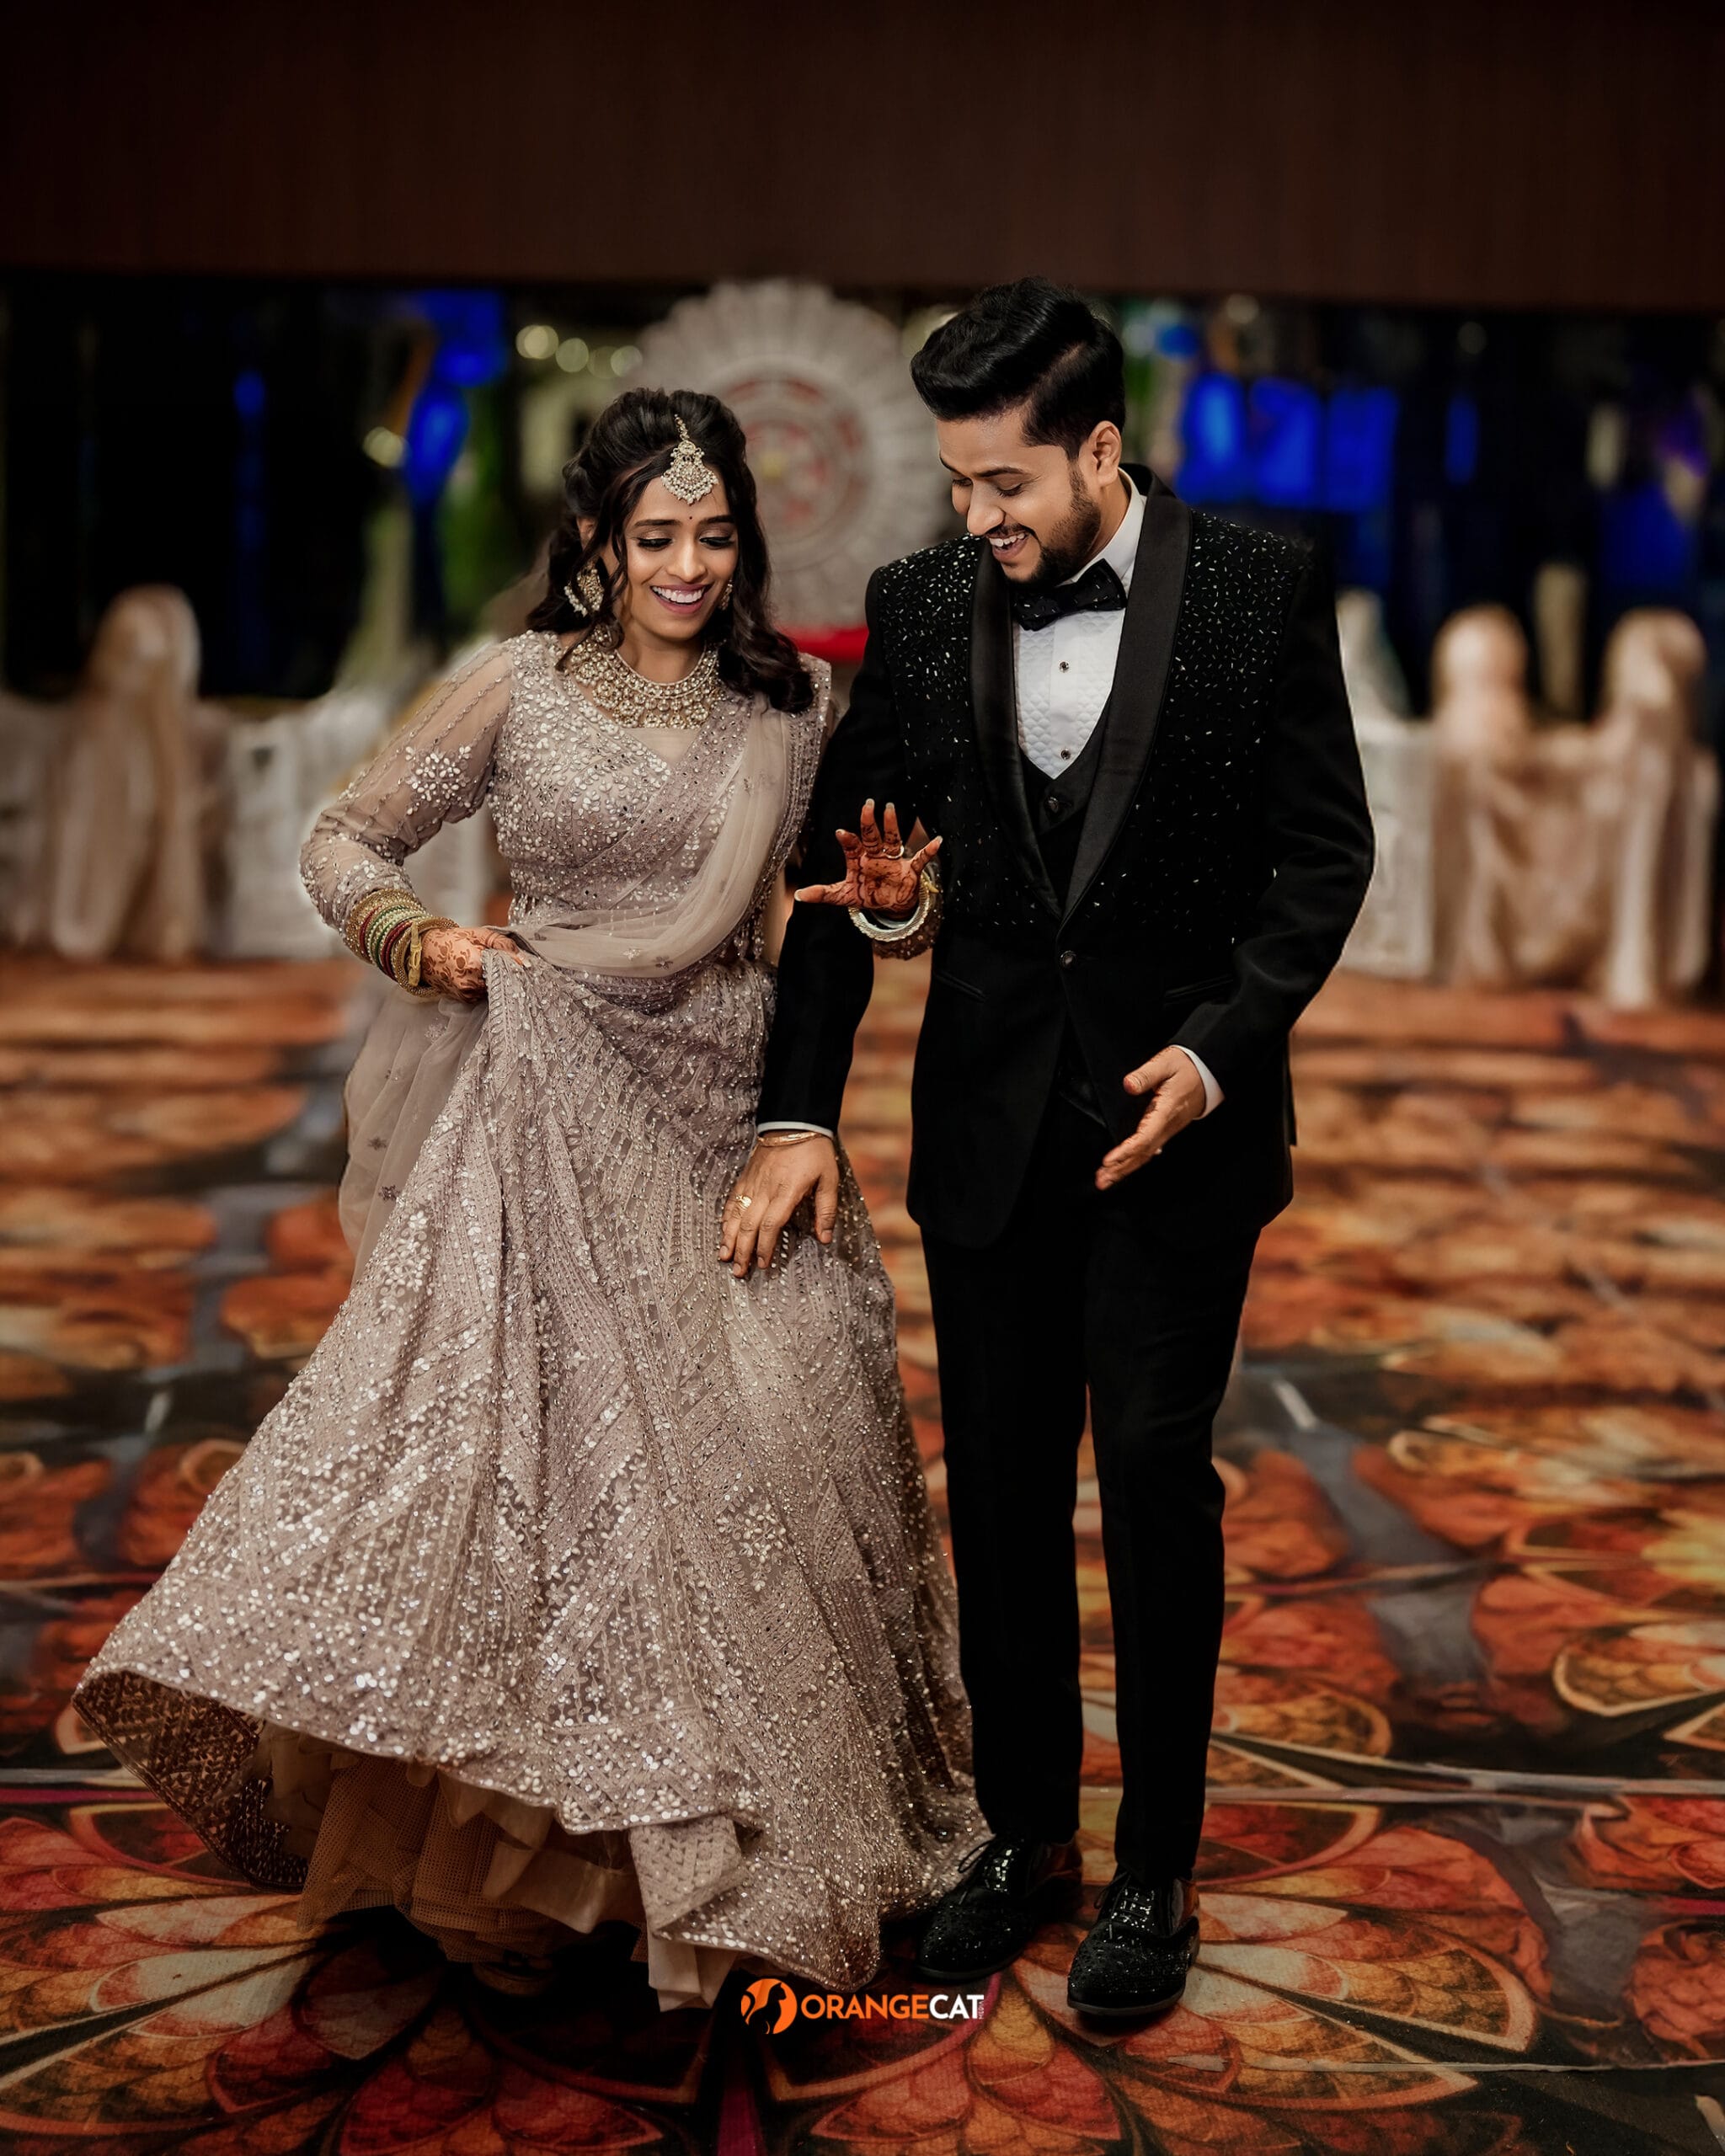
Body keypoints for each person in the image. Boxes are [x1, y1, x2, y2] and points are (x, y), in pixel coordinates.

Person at [74, 388, 985, 2013]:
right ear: (594, 542)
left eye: (715, 537)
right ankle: (548, 1843)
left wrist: (894, 914)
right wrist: (425, 943)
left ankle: (756, 1835)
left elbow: (820, 919)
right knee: (537, 1464)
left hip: (720, 1115)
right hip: (543, 1097)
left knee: (770, 1440)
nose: (690, 567)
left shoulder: (797, 706)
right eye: (657, 539)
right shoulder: (519, 687)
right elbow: (345, 837)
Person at [723, 281, 1374, 2020]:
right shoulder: (922, 606)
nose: (977, 520)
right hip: (992, 1134)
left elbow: (1323, 863)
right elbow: (870, 884)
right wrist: (811, 1081)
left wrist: (1223, 1053)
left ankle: (1154, 1864)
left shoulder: (1257, 588)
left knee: (1154, 1475)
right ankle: (1026, 1841)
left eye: (1003, 484)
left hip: (1179, 1132)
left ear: (1099, 448)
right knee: (1002, 1493)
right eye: (953, 485)